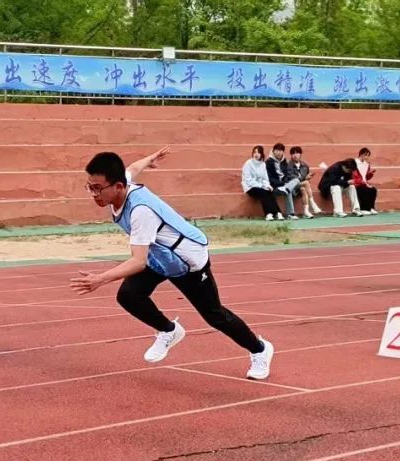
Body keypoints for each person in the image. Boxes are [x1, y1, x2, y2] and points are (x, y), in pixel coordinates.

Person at [72, 148, 275, 380]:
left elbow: (138, 261)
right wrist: (149, 159)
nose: (93, 194)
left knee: (215, 315)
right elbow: (133, 169)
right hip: (161, 257)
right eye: (90, 187)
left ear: (118, 186)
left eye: (97, 188)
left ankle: (259, 350)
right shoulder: (119, 185)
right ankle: (169, 330)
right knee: (128, 295)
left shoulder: (140, 212)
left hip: (187, 261)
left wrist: (100, 279)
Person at [242, 145, 282, 220]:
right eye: (254, 152)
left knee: (270, 191)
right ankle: (268, 214)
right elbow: (248, 180)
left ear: (261, 154)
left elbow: (265, 178)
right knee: (263, 192)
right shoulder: (248, 163)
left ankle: (277, 213)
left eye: (258, 152)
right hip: (250, 187)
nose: (256, 154)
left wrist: (267, 185)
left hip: (261, 186)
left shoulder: (263, 164)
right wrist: (261, 186)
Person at [265, 143, 301, 219]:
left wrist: (285, 182)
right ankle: (290, 214)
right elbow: (269, 178)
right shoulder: (268, 162)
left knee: (296, 180)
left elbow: (287, 174)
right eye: (277, 150)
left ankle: (286, 189)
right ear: (273, 151)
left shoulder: (284, 161)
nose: (279, 152)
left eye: (281, 151)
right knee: (288, 190)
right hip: (274, 187)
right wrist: (281, 183)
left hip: (284, 186)